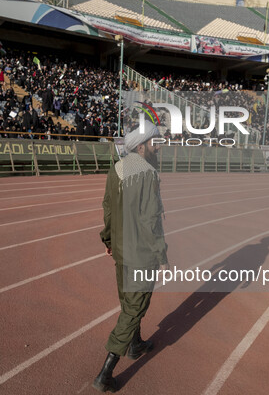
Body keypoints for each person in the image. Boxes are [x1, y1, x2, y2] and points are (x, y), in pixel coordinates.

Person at [93, 120, 169, 393]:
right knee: (133, 309)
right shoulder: (147, 173)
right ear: (142, 146)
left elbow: (109, 208)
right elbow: (152, 219)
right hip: (141, 254)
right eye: (154, 143)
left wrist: (109, 240)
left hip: (123, 251)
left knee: (128, 301)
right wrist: (161, 254)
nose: (157, 148)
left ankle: (135, 344)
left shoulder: (117, 169)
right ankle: (105, 373)